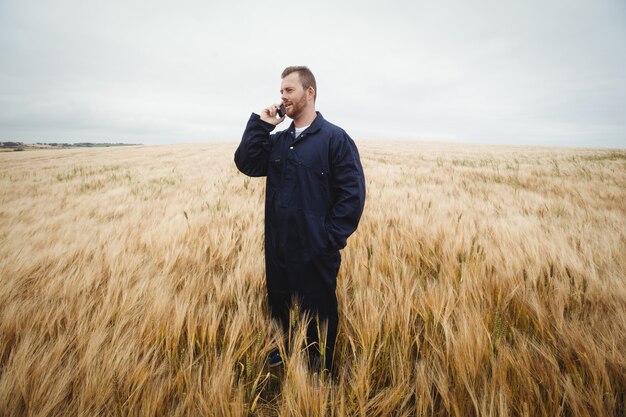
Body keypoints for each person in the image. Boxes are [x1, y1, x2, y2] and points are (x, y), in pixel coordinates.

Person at [234, 66, 366, 372]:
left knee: (318, 313)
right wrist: (262, 125)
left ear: (310, 92)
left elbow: (352, 195)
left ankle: (319, 368)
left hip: (315, 250)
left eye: (289, 90)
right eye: (281, 91)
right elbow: (246, 162)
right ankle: (280, 355)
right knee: (279, 306)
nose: (282, 97)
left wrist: (327, 239)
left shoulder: (335, 139)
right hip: (278, 246)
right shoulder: (279, 141)